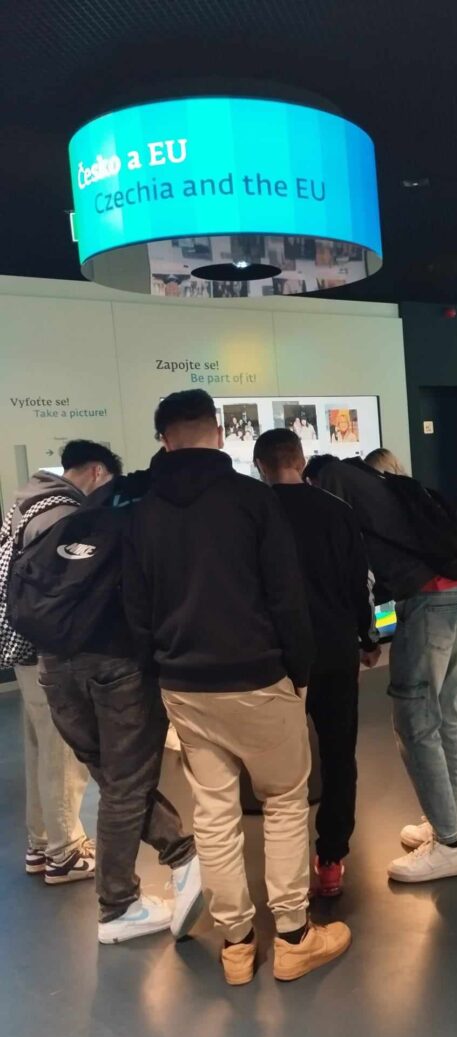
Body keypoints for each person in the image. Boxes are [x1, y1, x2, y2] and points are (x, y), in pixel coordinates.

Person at [124, 390, 350, 987]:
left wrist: (161, 674)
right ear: (219, 433)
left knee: (215, 813)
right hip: (259, 677)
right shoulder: (252, 500)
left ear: (163, 439)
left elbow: (137, 610)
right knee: (284, 801)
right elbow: (286, 597)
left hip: (185, 685)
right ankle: (294, 937)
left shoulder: (143, 512)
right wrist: (299, 674)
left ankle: (236, 945)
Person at [29, 441, 202, 944]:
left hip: (53, 666)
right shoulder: (146, 514)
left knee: (113, 778)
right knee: (126, 782)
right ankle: (118, 905)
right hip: (116, 663)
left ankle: (182, 857)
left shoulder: (65, 516)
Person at [311, 457, 457, 885]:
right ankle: (445, 822)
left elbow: (353, 565)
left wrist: (365, 635)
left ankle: (450, 845)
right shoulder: (372, 478)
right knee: (446, 714)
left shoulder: (330, 485)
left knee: (415, 719)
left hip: (431, 600)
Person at [253, 428, 380, 898]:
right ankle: (330, 860)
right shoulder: (337, 511)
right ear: (302, 460)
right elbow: (357, 582)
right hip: (335, 650)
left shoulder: (255, 513)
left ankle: (283, 867)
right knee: (339, 754)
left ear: (260, 466)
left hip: (277, 657)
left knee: (281, 766)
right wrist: (368, 636)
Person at [9, 450, 95, 884]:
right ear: (98, 471)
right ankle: (65, 853)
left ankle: (42, 843)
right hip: (50, 649)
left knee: (40, 745)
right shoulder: (63, 513)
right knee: (63, 747)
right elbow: (63, 588)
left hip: (24, 644)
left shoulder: (27, 501)